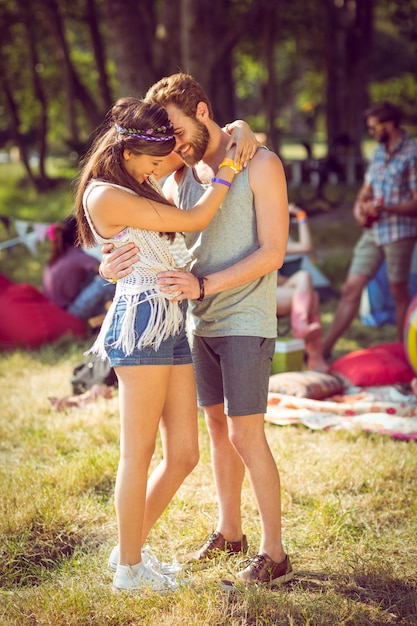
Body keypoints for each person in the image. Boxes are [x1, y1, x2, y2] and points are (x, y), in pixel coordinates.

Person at [100, 73, 293, 588]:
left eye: (182, 132)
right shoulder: (179, 179)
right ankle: (229, 533)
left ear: (203, 111)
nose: (177, 147)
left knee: (245, 434)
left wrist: (204, 285)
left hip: (243, 318)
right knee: (214, 431)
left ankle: (275, 554)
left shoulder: (260, 162)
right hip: (194, 321)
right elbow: (150, 237)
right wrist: (112, 262)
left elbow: (274, 252)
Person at [75, 96, 241, 592]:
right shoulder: (105, 194)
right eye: (151, 159)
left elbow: (193, 144)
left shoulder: (137, 177)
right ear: (126, 152)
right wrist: (231, 168)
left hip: (170, 318)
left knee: (185, 453)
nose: (159, 167)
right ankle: (128, 569)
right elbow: (194, 221)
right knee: (138, 453)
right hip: (141, 319)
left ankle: (128, 551)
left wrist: (240, 130)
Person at [322, 101, 417, 359]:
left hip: (400, 232)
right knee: (352, 287)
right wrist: (360, 207)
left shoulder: (412, 154)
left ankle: (405, 353)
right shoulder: (377, 152)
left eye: (374, 127)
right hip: (373, 232)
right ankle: (324, 349)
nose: (372, 132)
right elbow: (367, 189)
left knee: (399, 292)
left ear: (390, 125)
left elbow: (416, 202)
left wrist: (386, 209)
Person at [277, 204, 328, 372]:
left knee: (305, 280)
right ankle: (315, 357)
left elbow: (306, 247)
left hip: (276, 289)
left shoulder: (272, 240)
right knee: (311, 296)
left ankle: (302, 326)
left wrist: (301, 216)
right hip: (256, 294)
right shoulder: (251, 238)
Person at [42, 216, 115, 321]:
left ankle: (106, 314)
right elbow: (106, 270)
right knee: (107, 282)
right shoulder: (77, 256)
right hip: (69, 314)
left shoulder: (58, 256)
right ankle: (120, 310)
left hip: (54, 312)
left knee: (92, 276)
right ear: (77, 234)